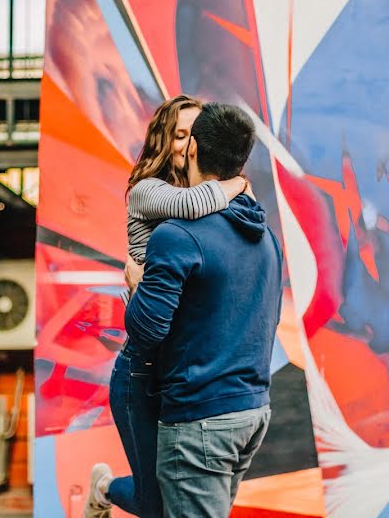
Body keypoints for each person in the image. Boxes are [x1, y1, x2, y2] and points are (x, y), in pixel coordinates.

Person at [83, 95, 249, 518]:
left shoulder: (208, 203)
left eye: (195, 136)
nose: (189, 145)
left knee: (172, 499)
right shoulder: (149, 192)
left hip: (184, 377)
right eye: (180, 135)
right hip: (142, 371)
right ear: (164, 141)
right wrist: (237, 184)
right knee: (153, 501)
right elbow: (191, 205)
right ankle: (103, 489)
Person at [125, 102, 283, 517]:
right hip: (250, 410)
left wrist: (137, 286)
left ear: (193, 149)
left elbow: (146, 330)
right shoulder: (262, 235)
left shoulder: (176, 235)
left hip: (201, 417)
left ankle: (103, 488)